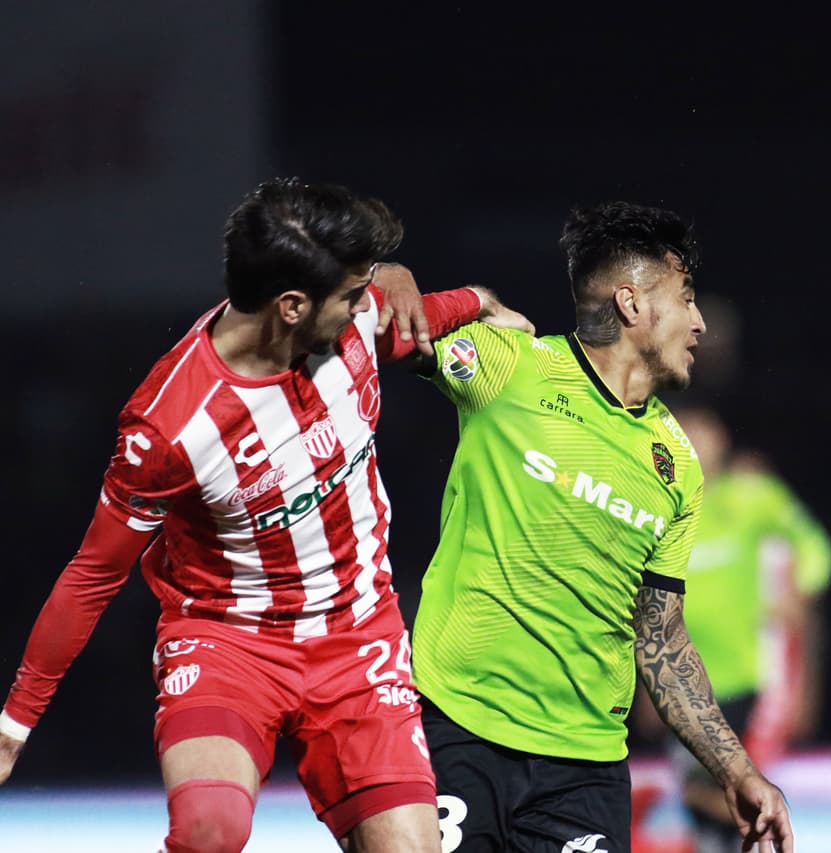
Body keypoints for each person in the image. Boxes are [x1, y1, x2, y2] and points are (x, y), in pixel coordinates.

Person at [0, 178, 530, 853]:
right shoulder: (168, 424)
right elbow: (94, 573)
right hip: (227, 640)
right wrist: (14, 723)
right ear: (290, 306)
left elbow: (450, 309)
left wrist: (487, 306)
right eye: (350, 294)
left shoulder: (357, 326)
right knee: (209, 832)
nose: (365, 303)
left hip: (357, 634)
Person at [410, 201, 794, 852]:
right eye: (687, 298)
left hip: (583, 771)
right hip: (458, 730)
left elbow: (661, 637)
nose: (699, 322)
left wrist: (734, 766)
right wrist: (423, 287)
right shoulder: (512, 368)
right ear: (632, 303)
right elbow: (390, 326)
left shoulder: (677, 467)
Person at [668, 406, 831, 853]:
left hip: (750, 682)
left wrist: (800, 591)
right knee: (705, 809)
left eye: (705, 433)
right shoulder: (653, 505)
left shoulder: (752, 496)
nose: (696, 445)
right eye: (685, 433)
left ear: (723, 440)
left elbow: (817, 548)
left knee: (740, 798)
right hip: (681, 683)